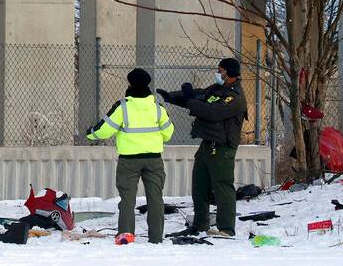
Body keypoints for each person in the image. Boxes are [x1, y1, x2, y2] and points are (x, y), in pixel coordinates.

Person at [158, 57, 247, 238]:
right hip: (207, 144)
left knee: (222, 187)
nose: (218, 73)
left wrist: (191, 100)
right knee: (199, 186)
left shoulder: (235, 96)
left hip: (222, 148)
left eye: (221, 70)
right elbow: (199, 96)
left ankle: (226, 229)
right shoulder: (217, 89)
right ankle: (199, 225)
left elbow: (211, 112)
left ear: (230, 73)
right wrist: (173, 97)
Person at [86, 68, 174, 244]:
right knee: (156, 198)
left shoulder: (123, 107)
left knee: (127, 199)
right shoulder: (158, 107)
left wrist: (91, 133)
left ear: (130, 84)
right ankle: (156, 238)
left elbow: (105, 129)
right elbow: (168, 133)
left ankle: (126, 236)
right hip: (154, 159)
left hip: (129, 161)